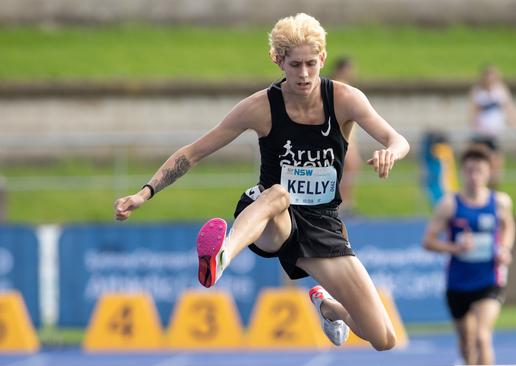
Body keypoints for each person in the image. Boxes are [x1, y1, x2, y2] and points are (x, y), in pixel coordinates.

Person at [114, 13, 410, 351]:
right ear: (278, 60)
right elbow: (193, 153)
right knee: (279, 194)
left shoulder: (344, 99)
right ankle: (221, 256)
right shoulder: (260, 107)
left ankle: (328, 307)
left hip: (322, 224)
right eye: (295, 64)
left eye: (311, 64)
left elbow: (398, 138)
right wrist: (145, 192)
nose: (303, 74)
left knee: (384, 338)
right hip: (269, 217)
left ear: (322, 59)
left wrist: (391, 152)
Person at [422, 145, 516, 365]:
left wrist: (505, 248)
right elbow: (428, 242)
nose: (474, 176)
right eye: (470, 170)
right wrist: (455, 248)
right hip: (458, 283)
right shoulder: (449, 204)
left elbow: (509, 226)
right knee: (467, 343)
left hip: (489, 279)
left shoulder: (500, 202)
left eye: (480, 171)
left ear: (489, 172)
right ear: (463, 172)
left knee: (483, 337)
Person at [469, 65, 516, 188]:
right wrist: (476, 127)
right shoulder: (478, 91)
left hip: (494, 135)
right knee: (479, 165)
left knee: (496, 166)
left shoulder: (500, 91)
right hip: (481, 135)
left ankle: (493, 190)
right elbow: (474, 113)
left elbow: (510, 111)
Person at [330, 56, 362, 215]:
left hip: (349, 137)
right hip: (342, 137)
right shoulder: (337, 87)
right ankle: (342, 204)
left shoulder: (344, 87)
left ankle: (346, 203)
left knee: (350, 168)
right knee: (345, 168)